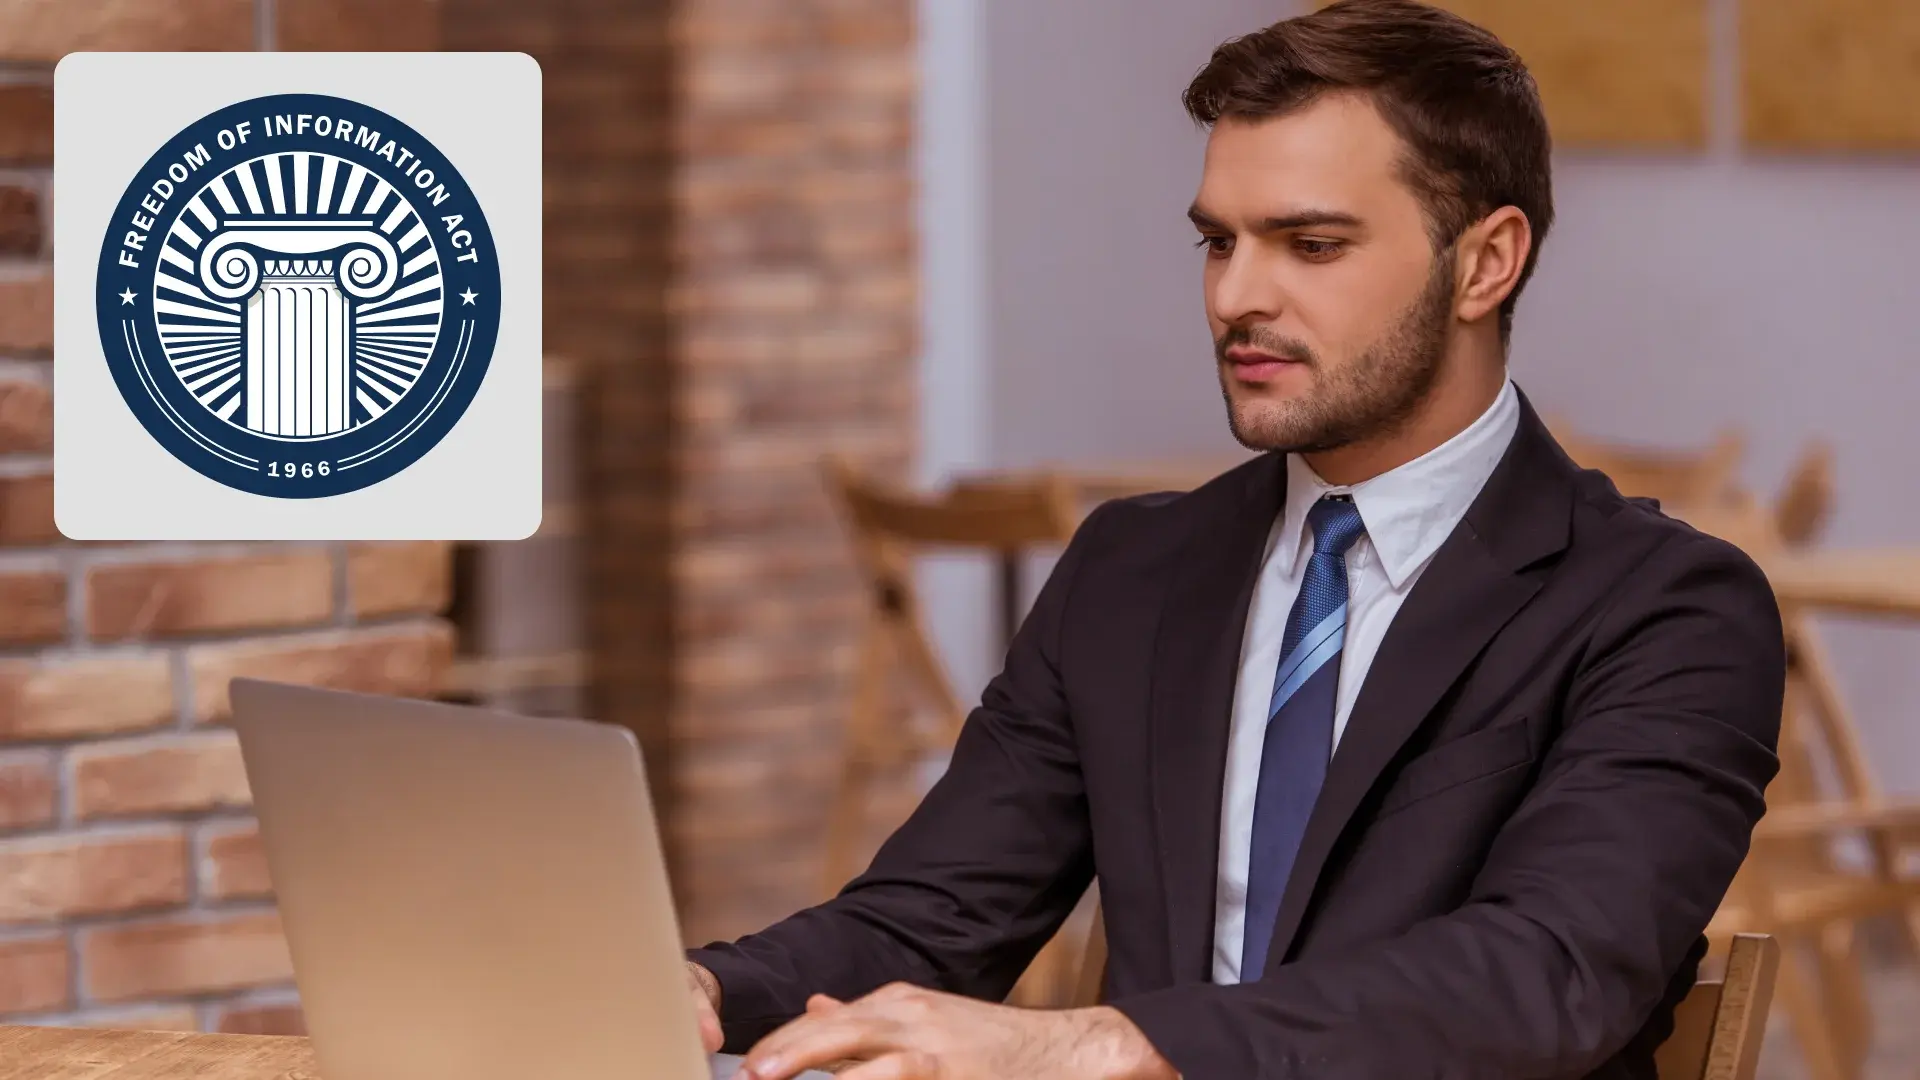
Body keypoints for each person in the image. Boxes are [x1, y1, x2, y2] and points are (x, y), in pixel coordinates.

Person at [684, 1, 1786, 1077]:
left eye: (1311, 244)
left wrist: (1100, 1042)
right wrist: (695, 990)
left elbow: (1547, 975)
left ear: (1485, 262)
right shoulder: (1130, 572)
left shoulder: (1667, 610)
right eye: (1219, 242)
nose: (1236, 296)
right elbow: (931, 918)